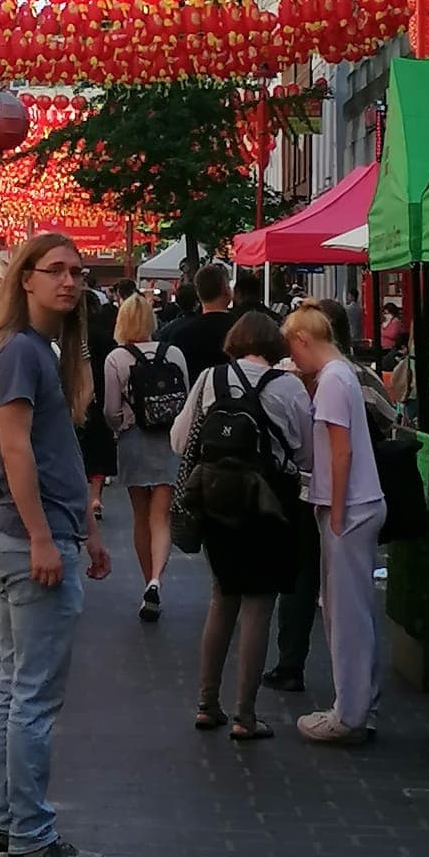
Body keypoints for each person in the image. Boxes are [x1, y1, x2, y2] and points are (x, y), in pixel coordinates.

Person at [0, 234, 111, 857]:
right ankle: (30, 838)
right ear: (24, 278)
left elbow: (58, 451)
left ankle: (6, 829)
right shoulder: (20, 354)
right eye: (55, 270)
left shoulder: (37, 352)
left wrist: (86, 527)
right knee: (31, 697)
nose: (69, 281)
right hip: (28, 536)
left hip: (40, 532)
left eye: (77, 272)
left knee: (14, 691)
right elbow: (16, 450)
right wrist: (41, 536)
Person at [171, 310, 312, 740]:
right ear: (276, 345)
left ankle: (206, 703)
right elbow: (306, 453)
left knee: (222, 596)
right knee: (259, 603)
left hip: (217, 500)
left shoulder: (211, 379)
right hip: (270, 504)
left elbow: (180, 440)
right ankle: (245, 715)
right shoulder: (288, 386)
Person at [265, 297, 392, 693]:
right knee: (349, 610)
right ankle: (357, 705)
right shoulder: (343, 375)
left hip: (348, 507)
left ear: (302, 340)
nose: (293, 361)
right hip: (355, 505)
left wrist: (335, 512)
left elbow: (341, 451)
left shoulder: (333, 381)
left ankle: (351, 709)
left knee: (347, 615)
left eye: (292, 350)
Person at [103, 293, 188, 621]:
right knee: (161, 516)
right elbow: (186, 397)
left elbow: (111, 409)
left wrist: (118, 427)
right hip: (168, 439)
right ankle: (157, 580)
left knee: (140, 515)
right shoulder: (175, 353)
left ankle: (146, 580)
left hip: (133, 439)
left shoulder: (116, 359)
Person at [78, 291, 117, 522]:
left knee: (79, 451)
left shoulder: (68, 336)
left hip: (74, 400)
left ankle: (83, 499)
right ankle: (95, 498)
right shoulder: (105, 337)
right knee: (98, 452)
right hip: (101, 400)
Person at [164, 261, 233, 383]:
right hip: (238, 399)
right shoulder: (243, 330)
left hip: (196, 398)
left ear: (198, 293)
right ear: (225, 290)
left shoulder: (182, 334)